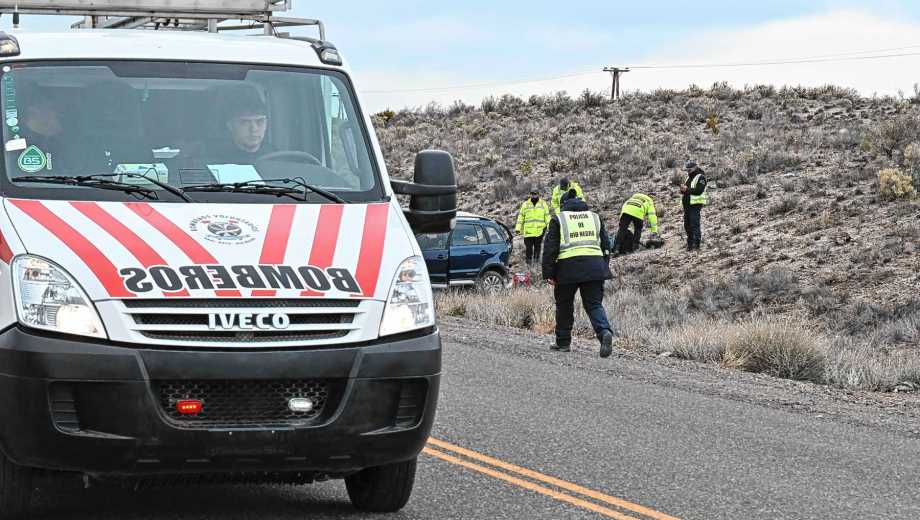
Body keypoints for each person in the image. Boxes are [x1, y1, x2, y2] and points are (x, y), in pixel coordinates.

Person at [541, 194, 616, 358]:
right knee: (594, 305)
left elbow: (550, 249)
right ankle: (604, 333)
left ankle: (563, 342)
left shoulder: (559, 219)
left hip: (567, 268)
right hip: (595, 267)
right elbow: (606, 245)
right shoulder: (594, 217)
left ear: (563, 204)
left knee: (564, 305)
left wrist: (548, 273)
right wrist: (603, 266)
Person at [210, 85, 274, 164]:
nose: (254, 129)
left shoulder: (277, 157)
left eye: (259, 121)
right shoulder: (213, 159)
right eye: (245, 122)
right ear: (230, 126)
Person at [515, 189, 551, 265]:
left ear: (538, 194)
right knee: (529, 248)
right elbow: (521, 216)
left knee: (538, 247)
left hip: (540, 230)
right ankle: (529, 263)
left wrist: (550, 227)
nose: (533, 195)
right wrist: (518, 228)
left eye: (535, 194)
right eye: (532, 194)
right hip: (528, 231)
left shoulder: (543, 204)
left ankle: (536, 262)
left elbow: (547, 216)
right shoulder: (525, 204)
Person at [681, 160, 708, 251]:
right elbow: (685, 190)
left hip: (695, 205)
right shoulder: (688, 178)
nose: (688, 171)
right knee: (687, 225)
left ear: (695, 168)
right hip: (687, 205)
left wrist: (687, 190)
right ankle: (690, 244)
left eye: (690, 169)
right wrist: (682, 190)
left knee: (694, 224)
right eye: (687, 169)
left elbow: (699, 190)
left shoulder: (701, 177)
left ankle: (697, 244)